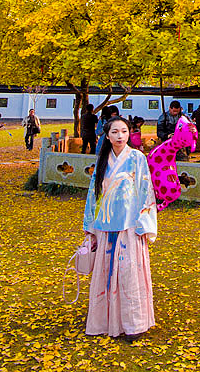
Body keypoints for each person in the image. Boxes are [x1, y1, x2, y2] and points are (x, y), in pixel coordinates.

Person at [83, 117, 157, 337]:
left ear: (129, 134)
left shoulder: (137, 158)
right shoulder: (102, 160)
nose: (120, 136)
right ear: (107, 136)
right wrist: (90, 226)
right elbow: (94, 193)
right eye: (115, 132)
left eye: (124, 131)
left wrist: (143, 222)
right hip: (106, 225)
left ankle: (134, 323)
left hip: (129, 225)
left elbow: (145, 189)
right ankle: (105, 321)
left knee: (128, 273)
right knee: (107, 273)